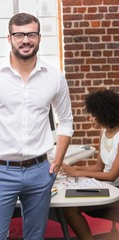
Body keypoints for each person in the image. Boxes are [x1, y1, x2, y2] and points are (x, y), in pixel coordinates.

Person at [0, 13, 74, 240]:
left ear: (39, 37)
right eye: (19, 34)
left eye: (31, 34)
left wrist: (57, 161)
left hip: (40, 171)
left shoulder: (54, 77)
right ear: (9, 38)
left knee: (35, 237)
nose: (25, 40)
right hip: (1, 172)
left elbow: (66, 121)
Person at [60, 89, 119, 240]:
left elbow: (112, 175)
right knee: (68, 207)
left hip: (115, 190)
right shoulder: (103, 133)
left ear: (105, 113)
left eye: (94, 115)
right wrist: (73, 168)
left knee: (71, 208)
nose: (92, 119)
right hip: (105, 185)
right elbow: (98, 167)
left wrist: (78, 173)